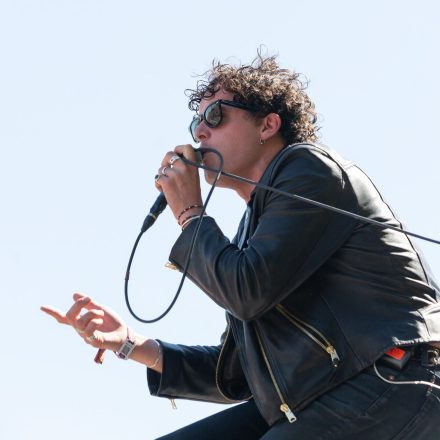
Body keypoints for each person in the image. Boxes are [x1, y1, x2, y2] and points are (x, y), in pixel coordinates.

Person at [41, 53, 440, 439]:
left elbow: (247, 291)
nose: (200, 133)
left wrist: (191, 215)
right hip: (322, 397)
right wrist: (130, 342)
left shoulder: (310, 169)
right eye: (196, 122)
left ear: (267, 125)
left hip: (394, 377)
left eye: (215, 116)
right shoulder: (252, 230)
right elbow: (238, 373)